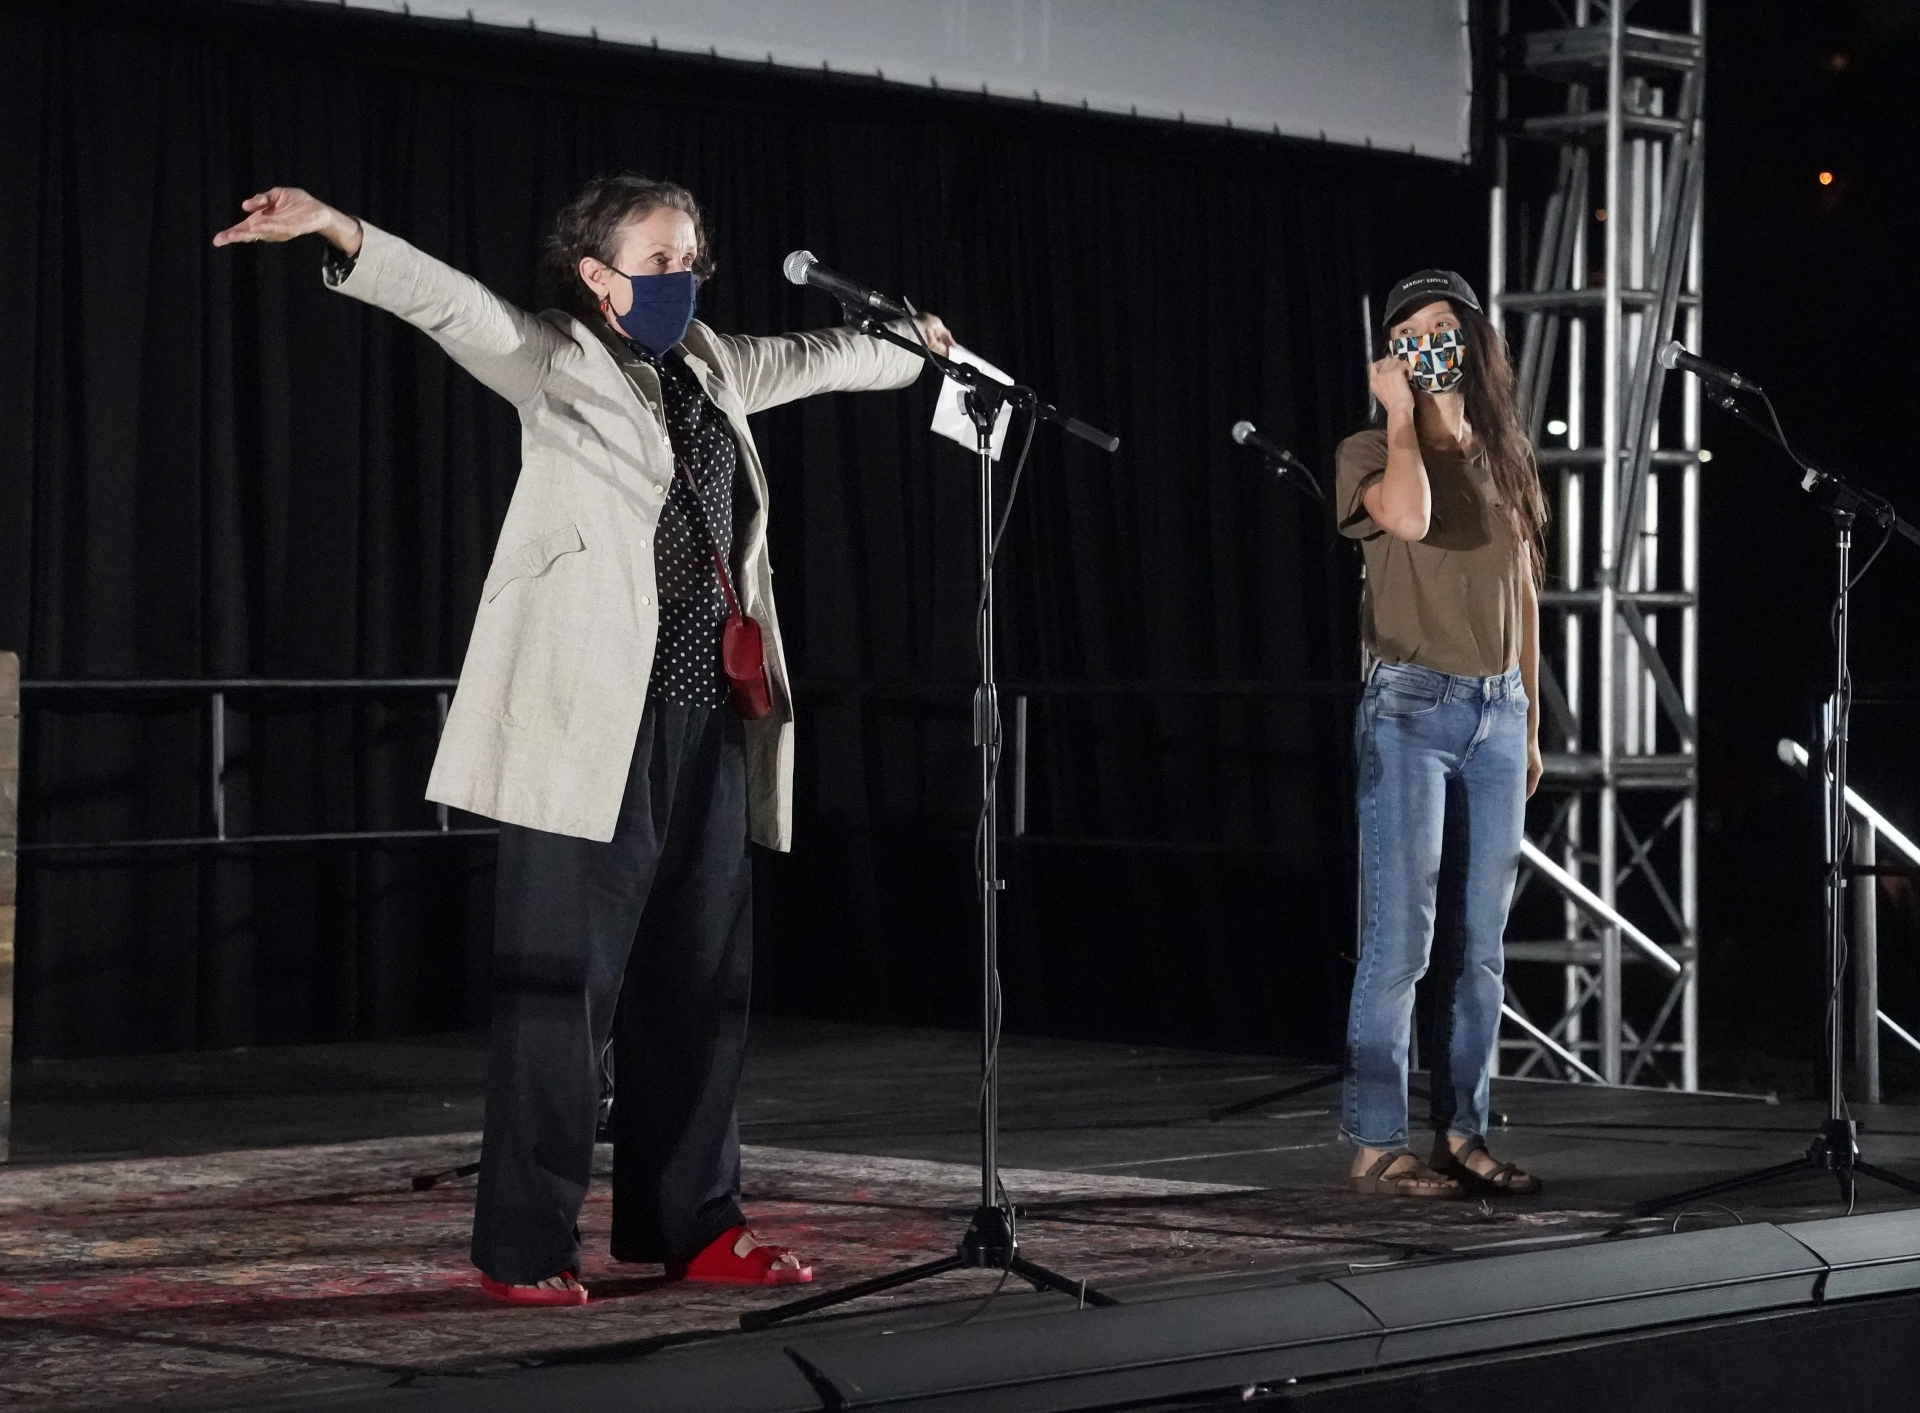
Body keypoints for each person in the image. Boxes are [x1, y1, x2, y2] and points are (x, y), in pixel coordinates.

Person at [214, 177, 952, 1303]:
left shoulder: (714, 360)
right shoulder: (550, 358)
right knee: (565, 997)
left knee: (700, 985)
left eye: (694, 258)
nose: (683, 277)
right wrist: (338, 230)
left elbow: (823, 358)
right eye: (659, 259)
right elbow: (446, 302)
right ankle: (524, 1243)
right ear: (598, 274)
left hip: (708, 721)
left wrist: (914, 348)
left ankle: (693, 1224)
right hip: (585, 728)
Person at [1333, 269, 1547, 1199]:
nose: (1428, 338)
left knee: (1483, 942)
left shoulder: (1505, 458)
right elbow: (1412, 517)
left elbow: (1526, 596)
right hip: (1410, 710)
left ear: (1471, 338)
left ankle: (1464, 1130)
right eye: (1409, 328)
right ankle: (1377, 1141)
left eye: (1442, 323)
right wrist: (1398, 411)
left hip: (1497, 711)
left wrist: (1531, 721)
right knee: (1403, 935)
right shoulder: (1366, 453)